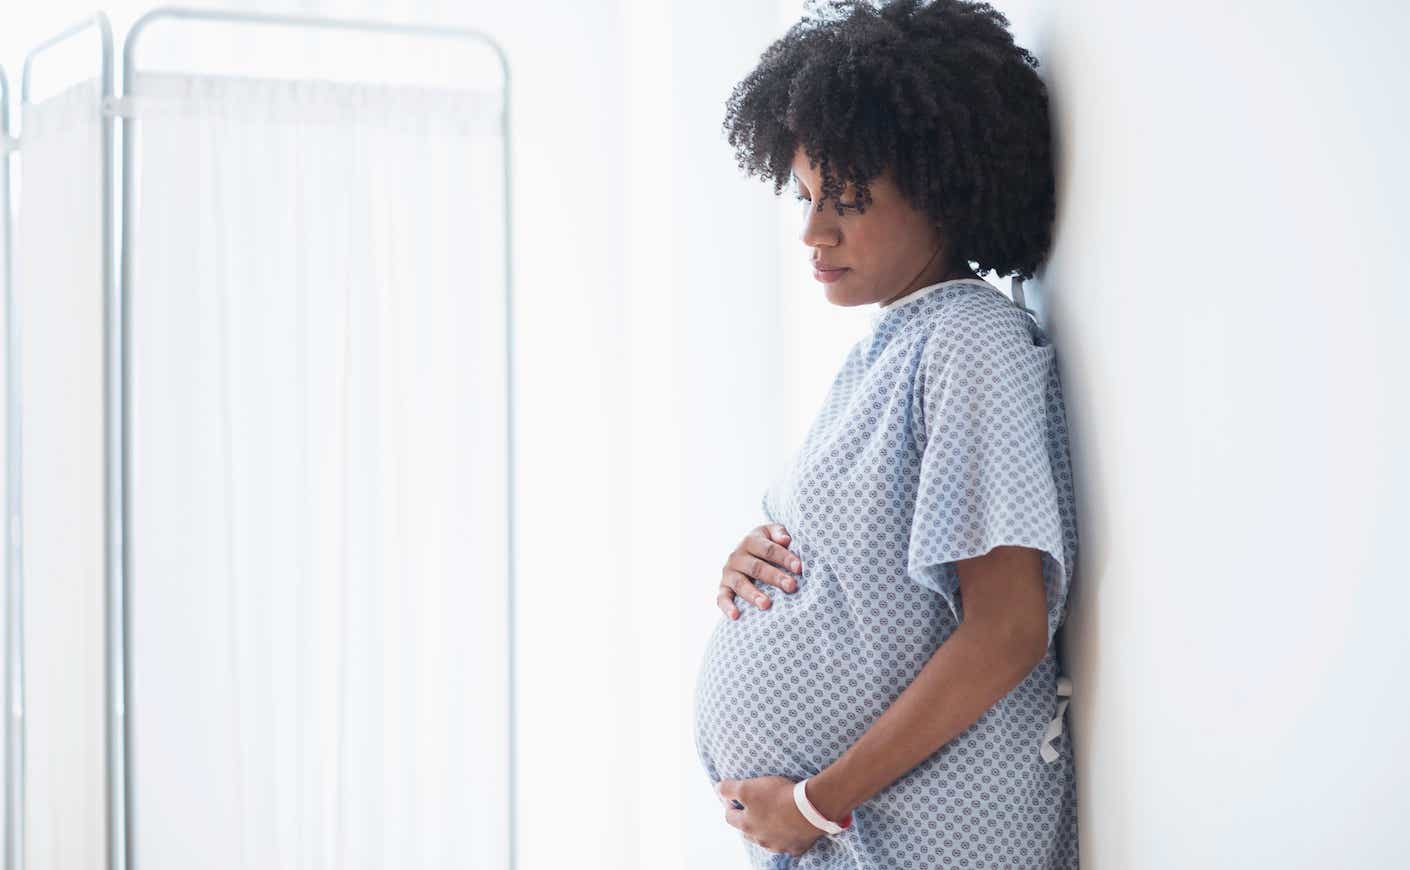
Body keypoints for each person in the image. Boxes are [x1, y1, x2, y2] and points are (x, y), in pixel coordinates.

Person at [691, 1, 1079, 867]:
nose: (812, 230)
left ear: (944, 188)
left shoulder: (968, 341)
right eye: (806, 196)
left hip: (928, 833)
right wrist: (760, 564)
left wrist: (817, 803)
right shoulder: (899, 340)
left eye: (849, 200)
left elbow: (1007, 628)